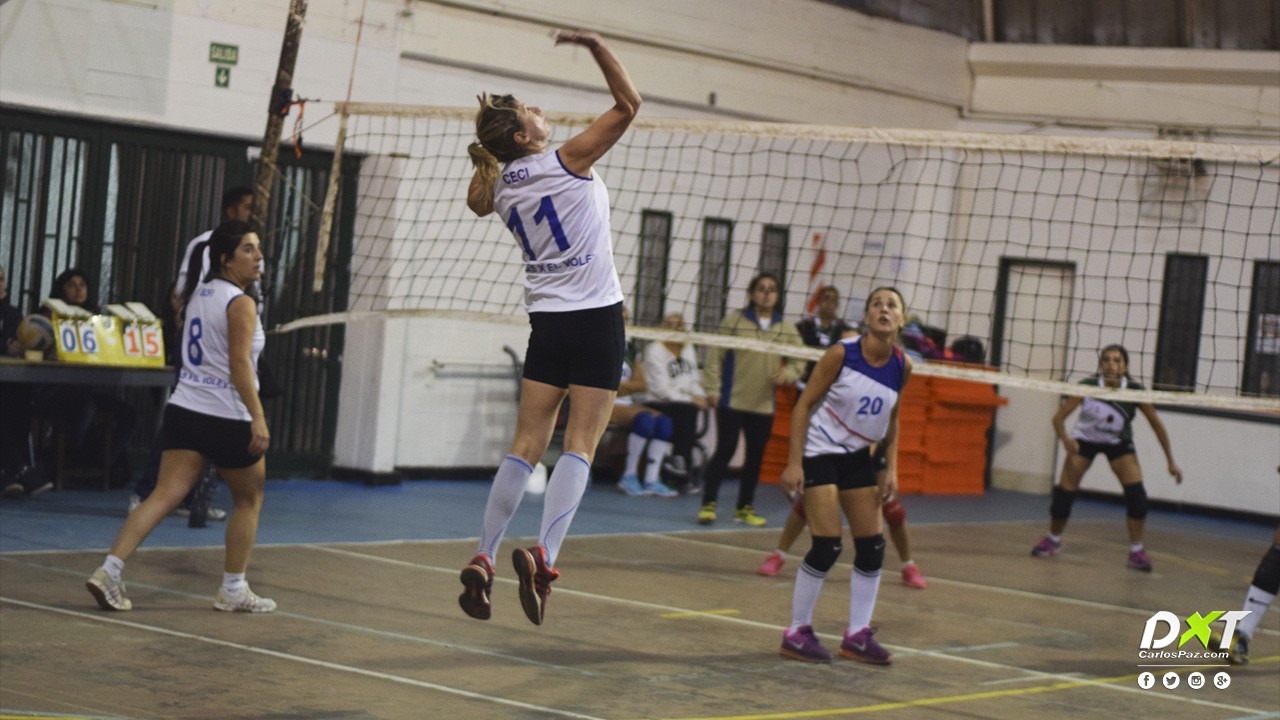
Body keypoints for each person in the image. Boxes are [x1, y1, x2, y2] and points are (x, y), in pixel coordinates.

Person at [457, 29, 640, 627]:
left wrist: (488, 138)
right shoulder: (567, 160)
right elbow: (629, 104)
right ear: (522, 136)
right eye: (527, 110)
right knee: (580, 443)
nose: (538, 109)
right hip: (596, 318)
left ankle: (484, 554)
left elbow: (475, 201)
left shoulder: (499, 189)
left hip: (547, 324)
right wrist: (595, 46)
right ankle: (544, 556)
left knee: (525, 446)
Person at [84, 220, 274, 612]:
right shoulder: (240, 302)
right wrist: (257, 415)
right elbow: (239, 364)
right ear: (225, 259)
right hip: (227, 415)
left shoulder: (197, 294)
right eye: (248, 249)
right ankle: (233, 589)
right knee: (249, 500)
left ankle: (109, 570)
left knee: (162, 495)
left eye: (258, 248)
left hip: (185, 408)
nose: (259, 257)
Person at [776, 286, 911, 665]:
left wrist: (890, 468)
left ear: (901, 319)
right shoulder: (842, 354)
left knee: (872, 546)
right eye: (876, 304)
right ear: (867, 316)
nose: (883, 309)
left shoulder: (902, 365)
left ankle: (856, 636)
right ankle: (796, 632)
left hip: (858, 456)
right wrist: (794, 463)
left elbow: (893, 421)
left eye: (891, 305)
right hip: (821, 451)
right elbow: (803, 405)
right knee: (827, 545)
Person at [129, 186, 254, 521]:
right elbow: (182, 294)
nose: (252, 214)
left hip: (236, 345)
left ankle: (192, 496)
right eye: (246, 207)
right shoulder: (205, 246)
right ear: (231, 210)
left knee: (215, 424)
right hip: (203, 349)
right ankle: (147, 491)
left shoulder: (252, 254)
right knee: (186, 418)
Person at [1031, 344, 1183, 571]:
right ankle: (1053, 539)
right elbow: (1058, 419)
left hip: (1117, 444)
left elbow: (1157, 426)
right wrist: (1066, 441)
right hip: (1085, 442)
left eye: (1117, 361)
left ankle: (1136, 551)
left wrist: (1170, 461)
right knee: (1063, 496)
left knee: (1137, 498)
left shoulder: (1134, 391)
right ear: (1101, 365)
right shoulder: (1088, 386)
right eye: (1107, 360)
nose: (1111, 365)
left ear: (1125, 366)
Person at [698, 272, 805, 526]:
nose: (766, 294)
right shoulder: (735, 320)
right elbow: (715, 356)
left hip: (763, 403)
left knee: (756, 456)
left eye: (772, 289)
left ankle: (744, 507)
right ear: (751, 293)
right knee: (725, 449)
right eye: (761, 288)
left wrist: (788, 374)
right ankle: (708, 503)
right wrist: (712, 388)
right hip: (731, 400)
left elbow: (800, 359)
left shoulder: (785, 328)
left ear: (777, 296)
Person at [38, 269, 138, 488]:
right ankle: (73, 456)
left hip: (90, 388)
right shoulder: (48, 316)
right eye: (71, 285)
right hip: (56, 388)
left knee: (128, 414)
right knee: (85, 406)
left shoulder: (98, 318)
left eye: (82, 284)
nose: (78, 289)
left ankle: (103, 463)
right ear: (60, 290)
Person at [758, 491, 927, 589]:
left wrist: (889, 470)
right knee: (807, 502)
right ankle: (779, 554)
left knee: (894, 511)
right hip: (831, 453)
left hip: (866, 459)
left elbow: (888, 441)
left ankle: (908, 565)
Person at [642, 312, 708, 492]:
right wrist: (689, 400)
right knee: (687, 411)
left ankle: (679, 463)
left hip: (683, 404)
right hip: (658, 401)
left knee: (688, 410)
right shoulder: (654, 350)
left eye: (678, 325)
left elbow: (694, 379)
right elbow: (660, 388)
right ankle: (681, 466)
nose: (674, 329)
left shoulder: (688, 349)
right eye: (669, 325)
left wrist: (700, 395)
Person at [612, 326, 679, 498]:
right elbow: (601, 383)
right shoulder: (597, 343)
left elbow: (642, 385)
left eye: (626, 319)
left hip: (625, 402)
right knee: (645, 420)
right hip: (602, 403)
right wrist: (624, 386)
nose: (622, 322)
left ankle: (651, 479)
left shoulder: (629, 349)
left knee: (664, 423)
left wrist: (620, 387)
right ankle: (629, 475)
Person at [0, 264, 47, 497]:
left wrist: (17, 347)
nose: (0, 284)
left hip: (6, 379)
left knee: (18, 396)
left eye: (1, 279)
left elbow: (15, 341)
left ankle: (9, 471)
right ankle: (19, 467)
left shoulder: (12, 313)